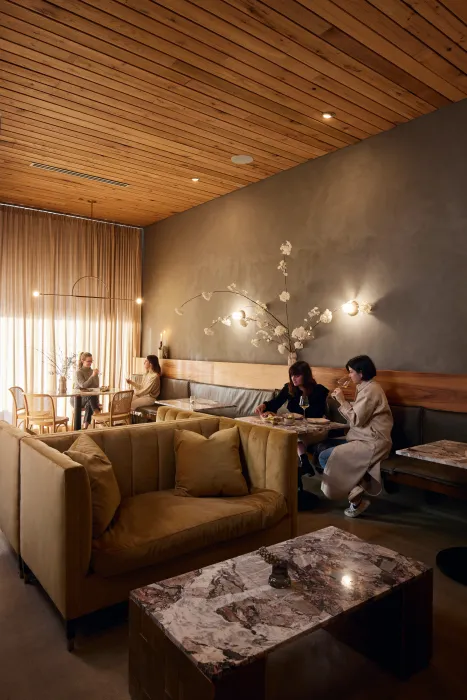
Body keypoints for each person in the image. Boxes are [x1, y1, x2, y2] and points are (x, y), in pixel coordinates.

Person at [319, 355, 393, 518]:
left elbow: (357, 419)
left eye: (351, 372)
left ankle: (355, 498)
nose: (349, 375)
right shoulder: (364, 387)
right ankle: (355, 492)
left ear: (361, 372)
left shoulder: (372, 390)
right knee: (322, 447)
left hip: (373, 441)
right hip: (362, 437)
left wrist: (341, 401)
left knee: (325, 456)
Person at [254, 361, 329, 479]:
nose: (293, 378)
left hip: (317, 429)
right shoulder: (289, 388)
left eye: (297, 375)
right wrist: (264, 406)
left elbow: (319, 413)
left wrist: (297, 416)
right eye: (292, 375)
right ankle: (303, 463)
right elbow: (275, 403)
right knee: (291, 435)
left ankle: (302, 466)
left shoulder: (319, 390)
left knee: (292, 436)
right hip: (298, 428)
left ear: (306, 375)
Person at [73, 352, 100, 429]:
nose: (90, 363)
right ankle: (97, 412)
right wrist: (92, 376)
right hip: (77, 399)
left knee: (90, 402)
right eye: (88, 361)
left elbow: (96, 386)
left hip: (88, 398)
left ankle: (85, 428)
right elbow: (83, 385)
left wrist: (95, 376)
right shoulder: (79, 372)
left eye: (91, 361)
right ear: (82, 361)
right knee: (91, 396)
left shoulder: (93, 371)